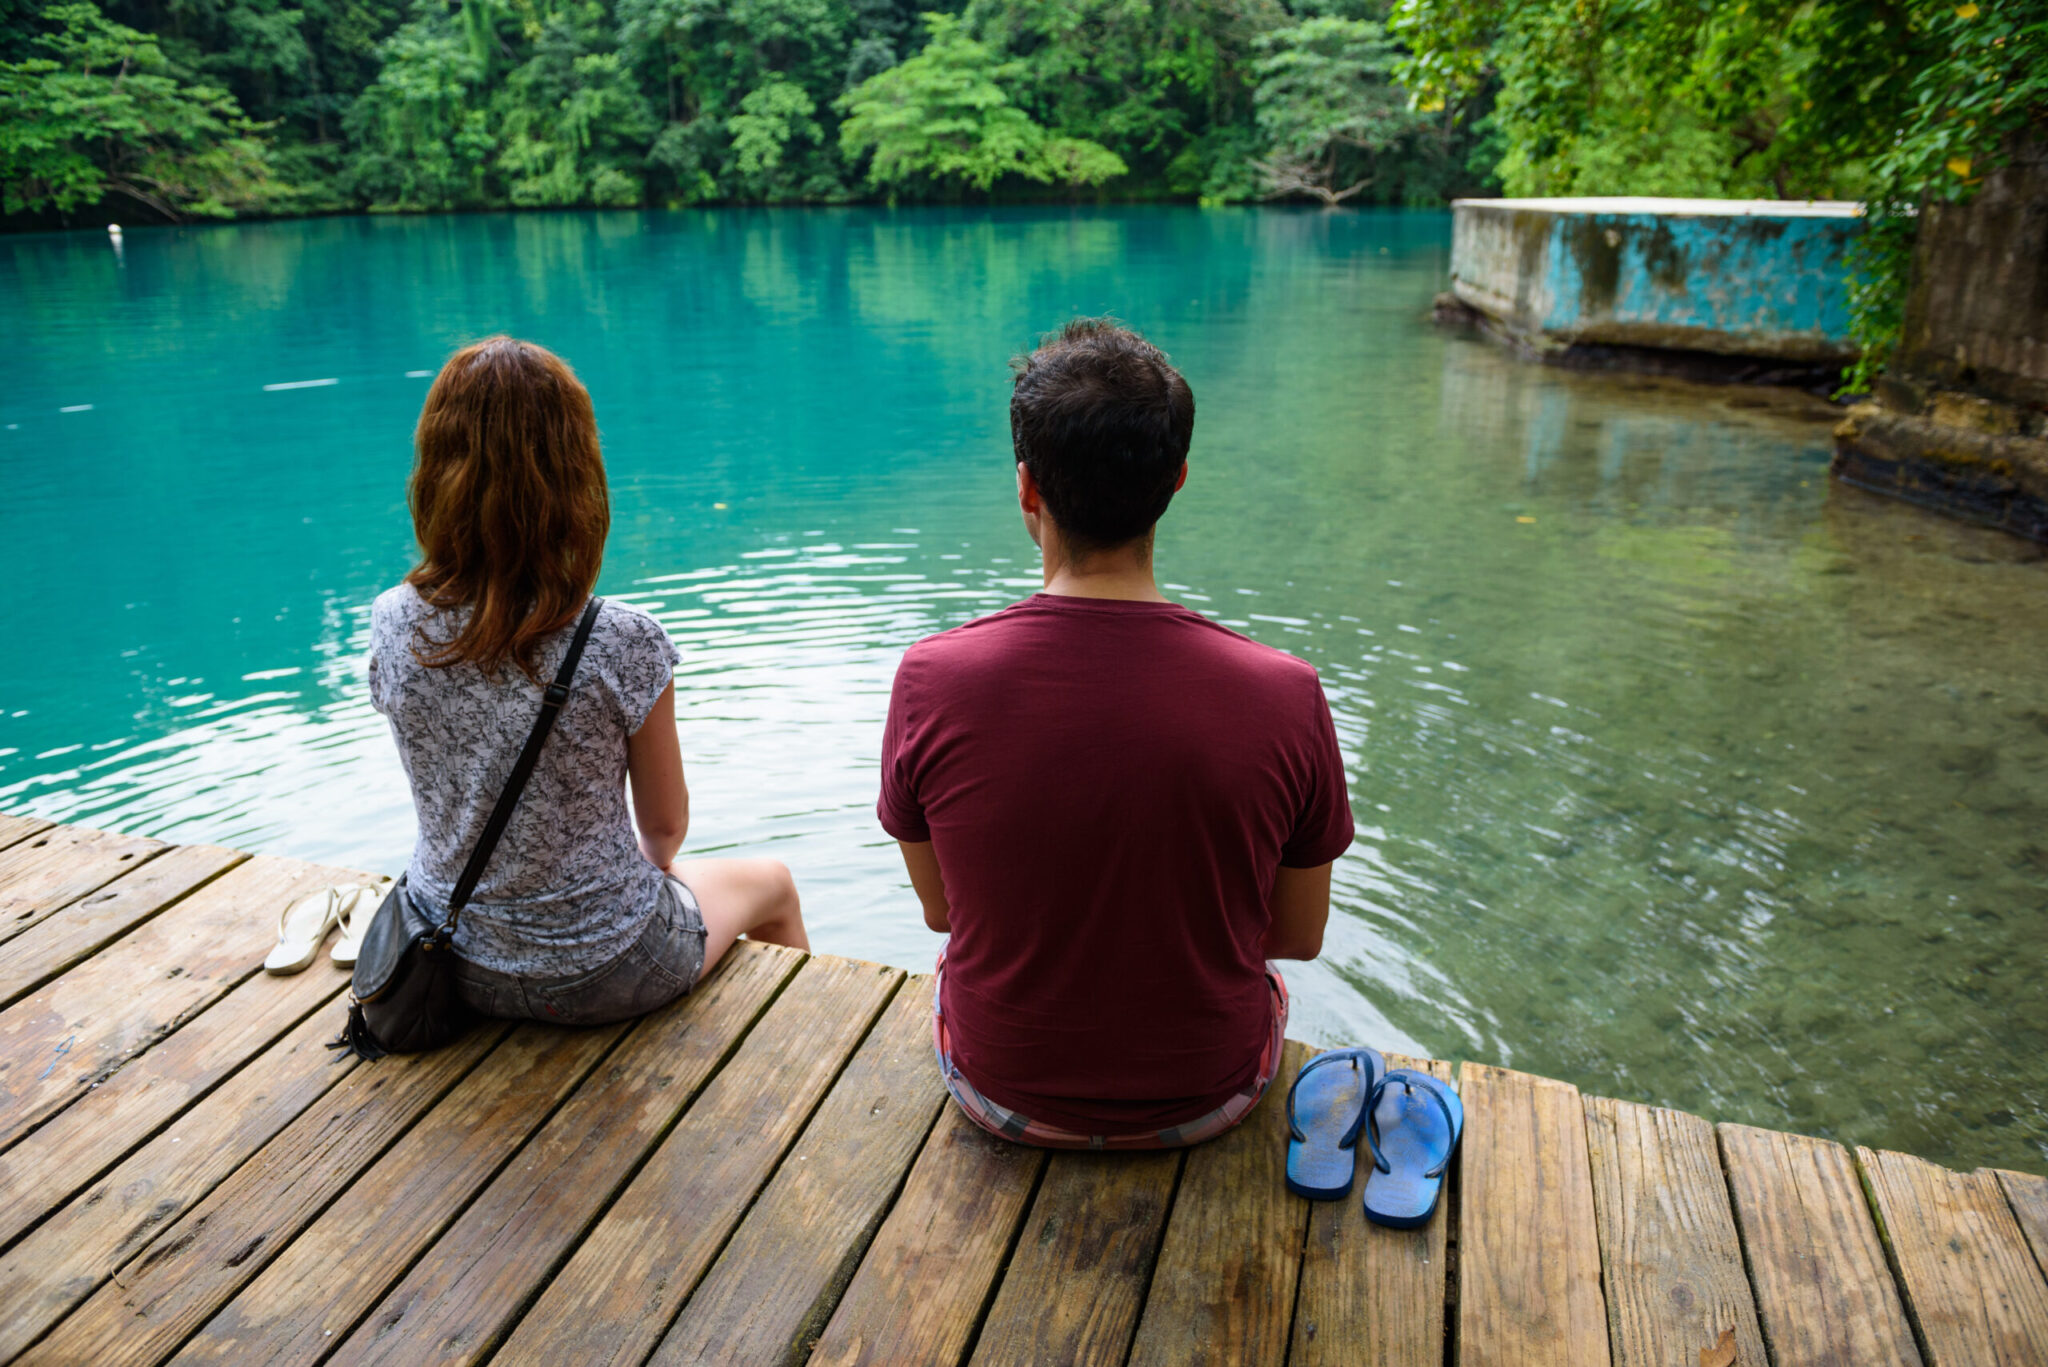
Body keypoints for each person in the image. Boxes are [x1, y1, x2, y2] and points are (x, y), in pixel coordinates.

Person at [877, 318, 1354, 1149]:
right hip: (1211, 1097)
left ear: (1027, 487)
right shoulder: (1286, 692)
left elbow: (942, 911)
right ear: (1176, 480)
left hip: (1001, 1092)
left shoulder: (933, 678)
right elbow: (1296, 936)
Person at [369, 336, 807, 1025]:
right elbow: (663, 831)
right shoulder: (621, 639)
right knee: (774, 886)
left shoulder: (394, 622)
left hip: (454, 958)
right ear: (575, 477)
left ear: (436, 471)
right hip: (606, 967)